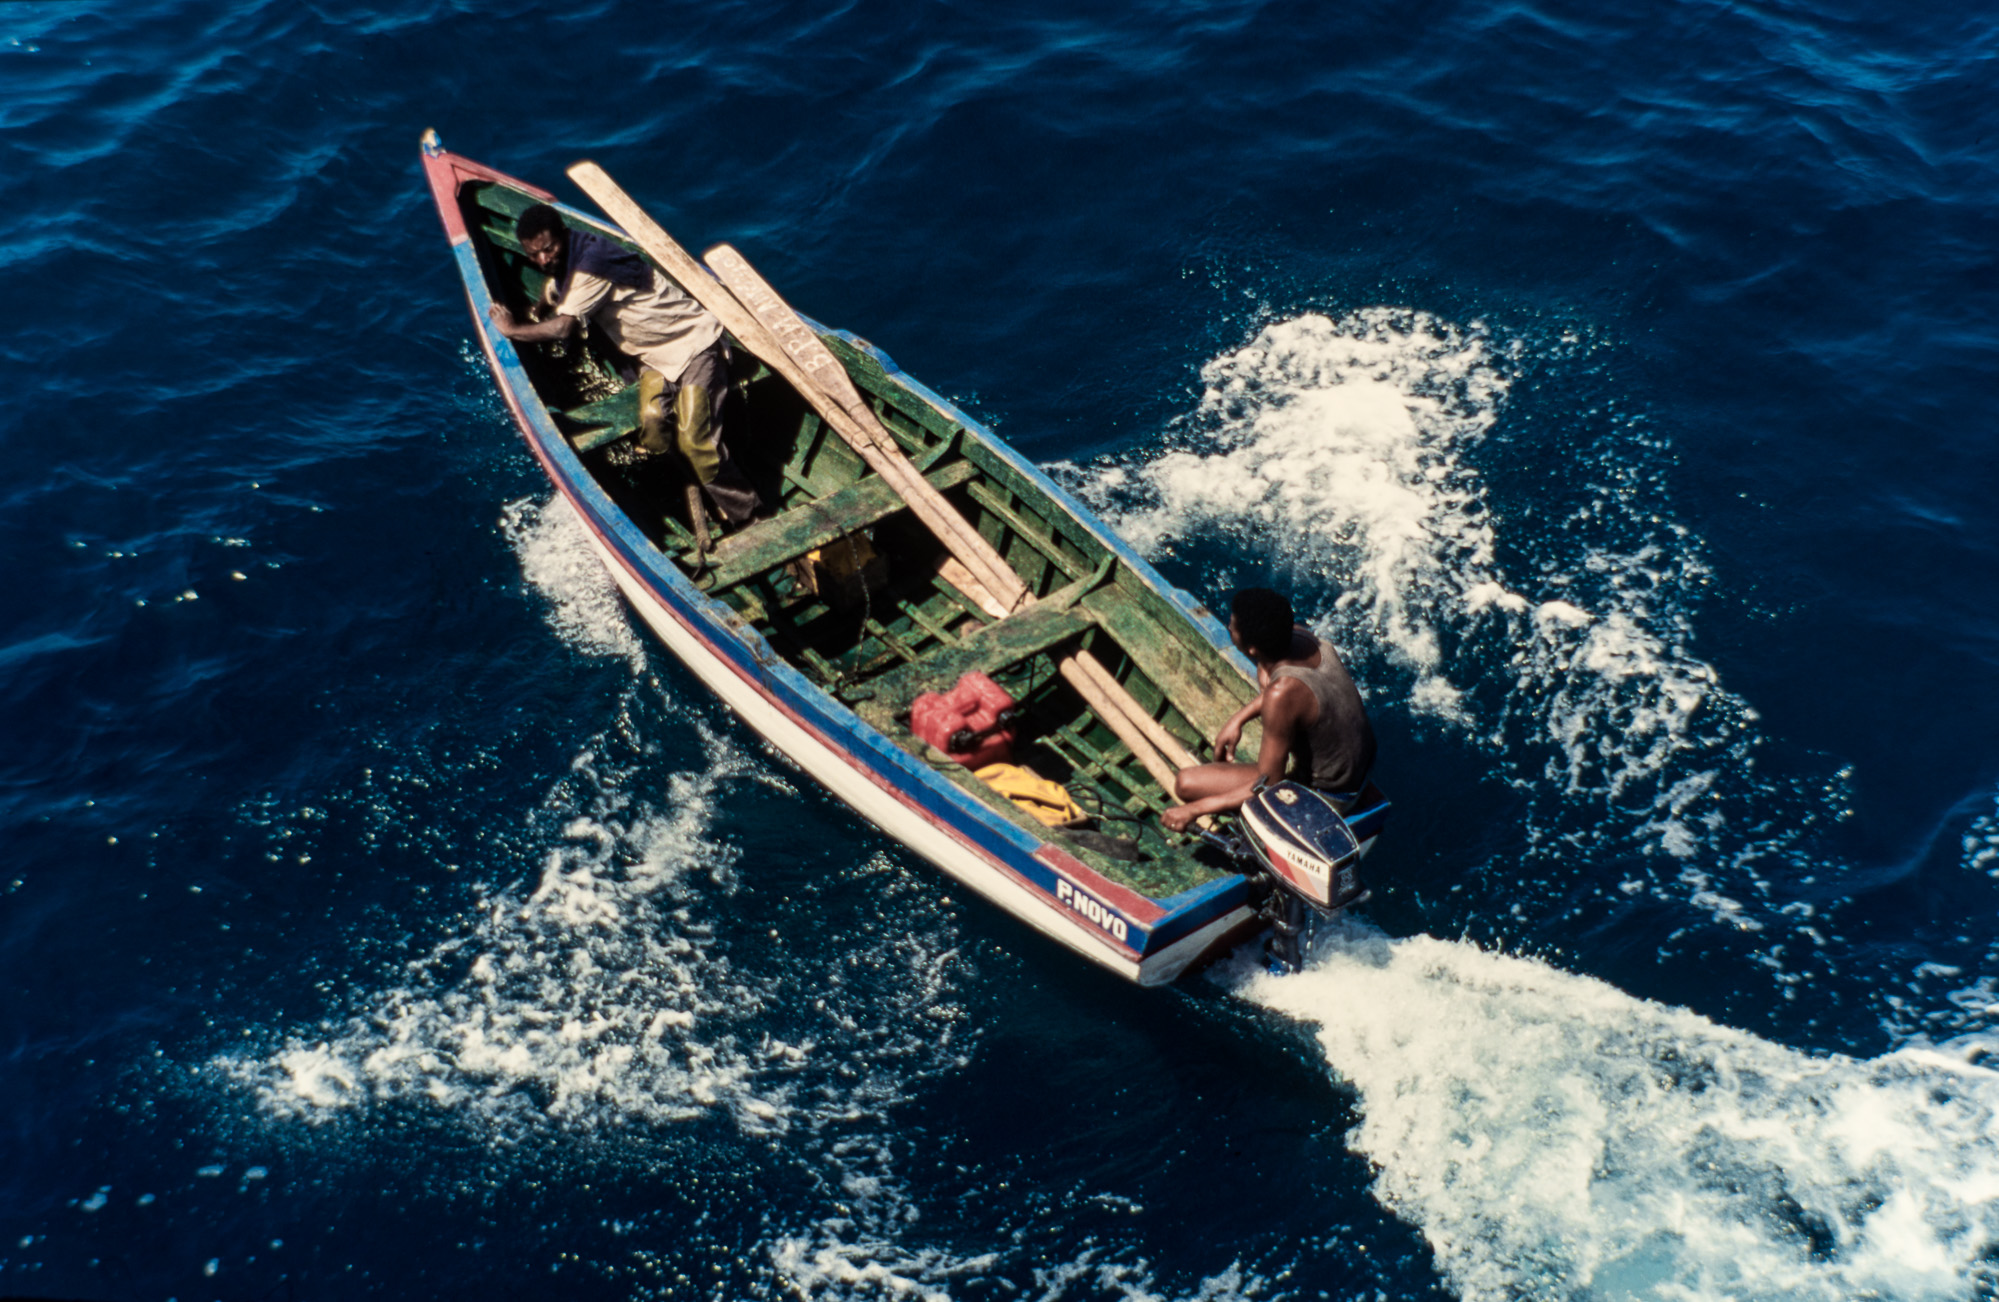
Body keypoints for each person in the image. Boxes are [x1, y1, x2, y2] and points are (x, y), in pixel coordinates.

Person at [487, 203, 763, 526]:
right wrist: (541, 302)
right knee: (653, 422)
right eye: (533, 255)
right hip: (655, 359)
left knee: (695, 441)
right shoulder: (573, 255)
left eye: (549, 249)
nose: (543, 260)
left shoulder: (590, 264)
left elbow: (563, 327)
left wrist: (513, 329)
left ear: (564, 235)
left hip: (695, 345)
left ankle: (749, 516)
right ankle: (692, 481)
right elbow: (559, 287)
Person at [1161, 588, 1376, 833]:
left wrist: (1196, 809)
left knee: (1186, 783)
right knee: (1266, 673)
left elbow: (1267, 784)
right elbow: (1287, 691)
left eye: (1233, 626)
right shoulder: (1303, 639)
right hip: (1360, 772)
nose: (1229, 628)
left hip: (1328, 796)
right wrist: (1238, 719)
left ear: (1251, 648)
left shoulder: (1281, 693)